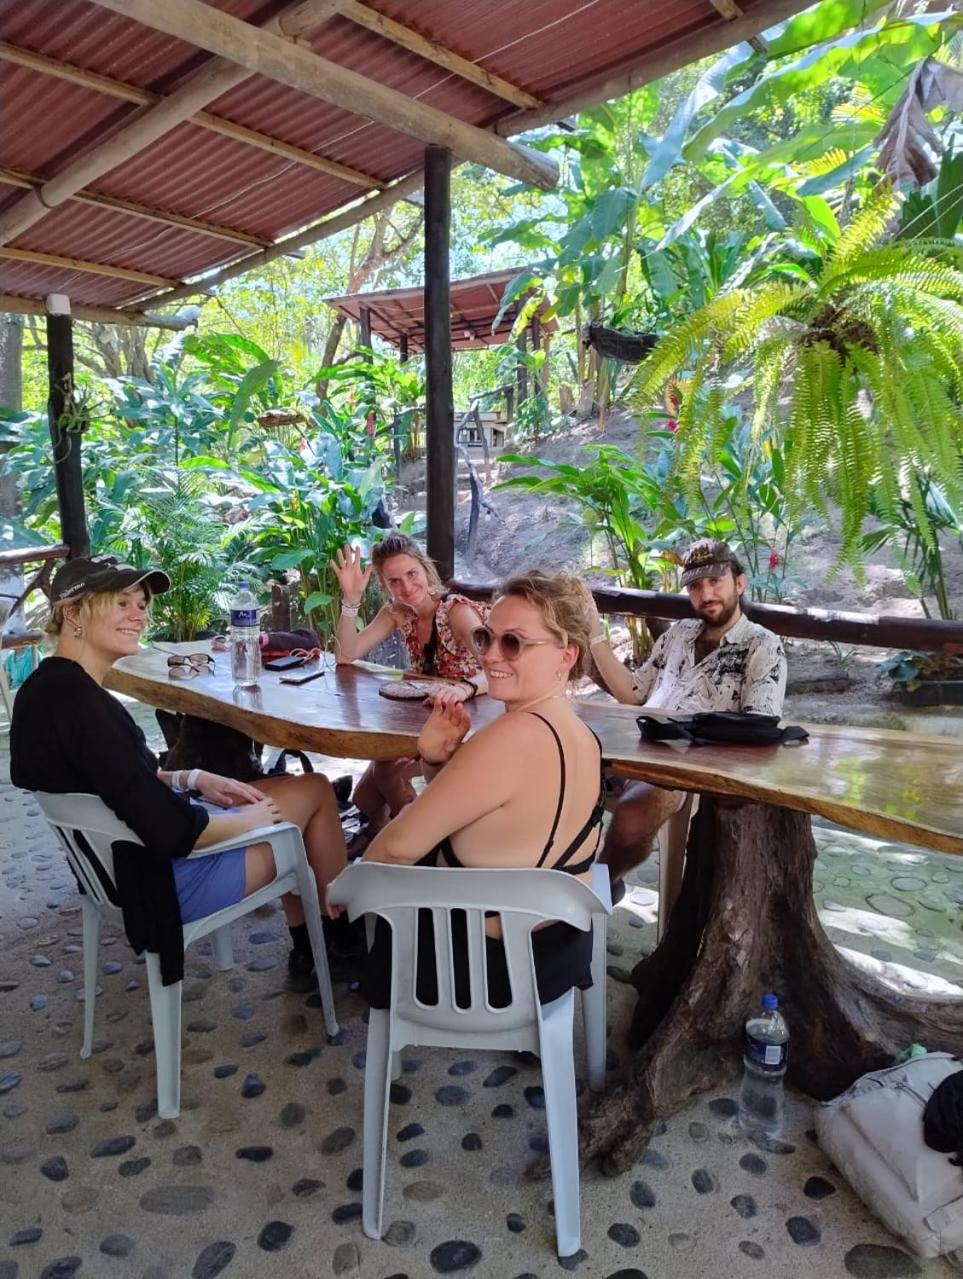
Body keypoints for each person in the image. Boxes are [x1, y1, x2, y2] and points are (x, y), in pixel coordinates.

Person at [10, 555, 352, 994]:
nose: (139, 615)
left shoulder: (43, 691)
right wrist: (248, 822)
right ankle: (335, 945)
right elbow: (173, 830)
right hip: (163, 882)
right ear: (73, 612)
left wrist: (189, 778)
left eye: (141, 604)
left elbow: (115, 781)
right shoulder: (87, 709)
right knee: (315, 792)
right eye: (121, 603)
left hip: (120, 868)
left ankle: (314, 948)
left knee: (286, 789)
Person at [353, 568, 606, 1009]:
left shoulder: (509, 738)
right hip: (556, 951)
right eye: (487, 638)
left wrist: (344, 890)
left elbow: (396, 848)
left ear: (567, 655)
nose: (489, 656)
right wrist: (436, 760)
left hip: (484, 970)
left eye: (514, 643)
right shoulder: (583, 735)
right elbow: (486, 818)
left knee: (361, 904)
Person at [587, 537, 787, 887]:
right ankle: (559, 877)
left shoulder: (762, 645)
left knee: (634, 815)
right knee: (551, 774)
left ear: (739, 583)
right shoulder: (679, 634)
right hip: (631, 749)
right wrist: (593, 636)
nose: (706, 594)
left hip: (682, 770)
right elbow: (633, 693)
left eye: (715, 581)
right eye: (695, 586)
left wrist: (686, 748)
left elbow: (758, 728)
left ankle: (598, 889)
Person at [331, 531, 488, 833]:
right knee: (364, 798)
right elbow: (345, 655)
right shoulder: (398, 613)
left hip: (467, 724)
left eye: (412, 574)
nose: (406, 587)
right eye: (394, 581)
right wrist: (351, 601)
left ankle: (420, 841)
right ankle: (381, 836)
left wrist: (463, 688)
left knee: (390, 774)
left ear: (425, 569)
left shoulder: (456, 611)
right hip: (424, 722)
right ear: (385, 585)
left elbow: (496, 666)